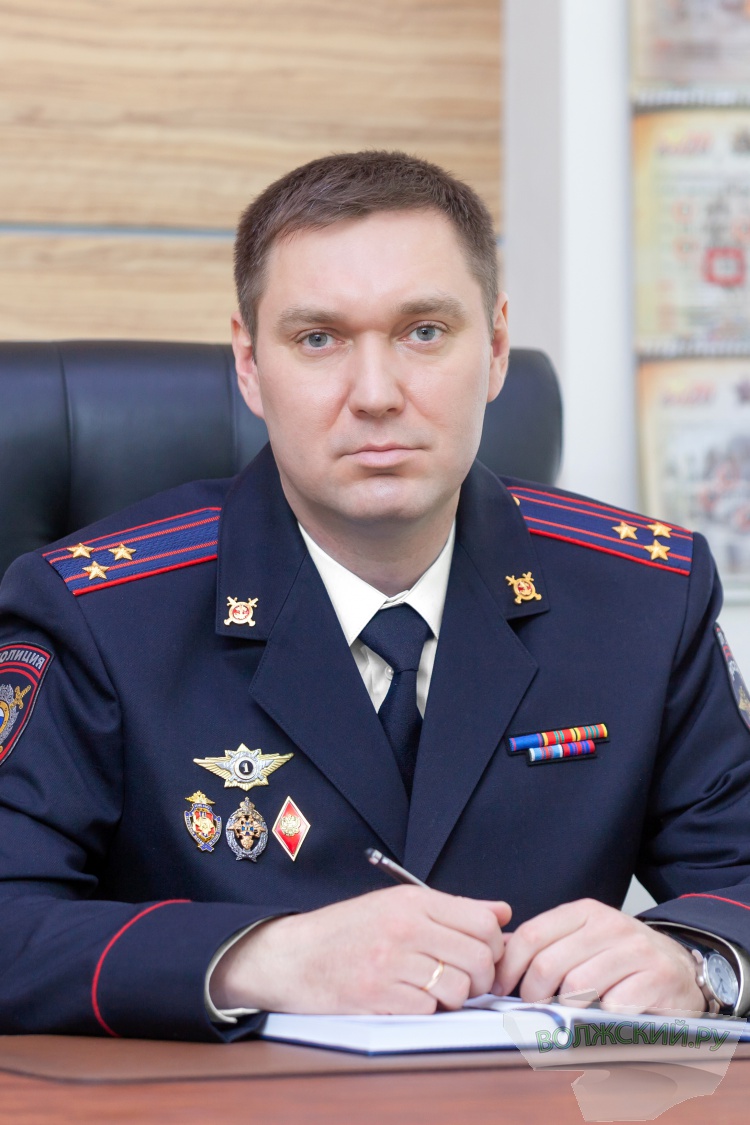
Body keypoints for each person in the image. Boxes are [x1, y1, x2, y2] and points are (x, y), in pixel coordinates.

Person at [1, 151, 750, 1042]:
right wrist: (260, 957)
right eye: (318, 339)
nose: (376, 394)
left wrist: (698, 960)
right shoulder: (99, 611)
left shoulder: (644, 596)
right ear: (249, 364)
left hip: (537, 1100)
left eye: (423, 331)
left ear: (496, 349)